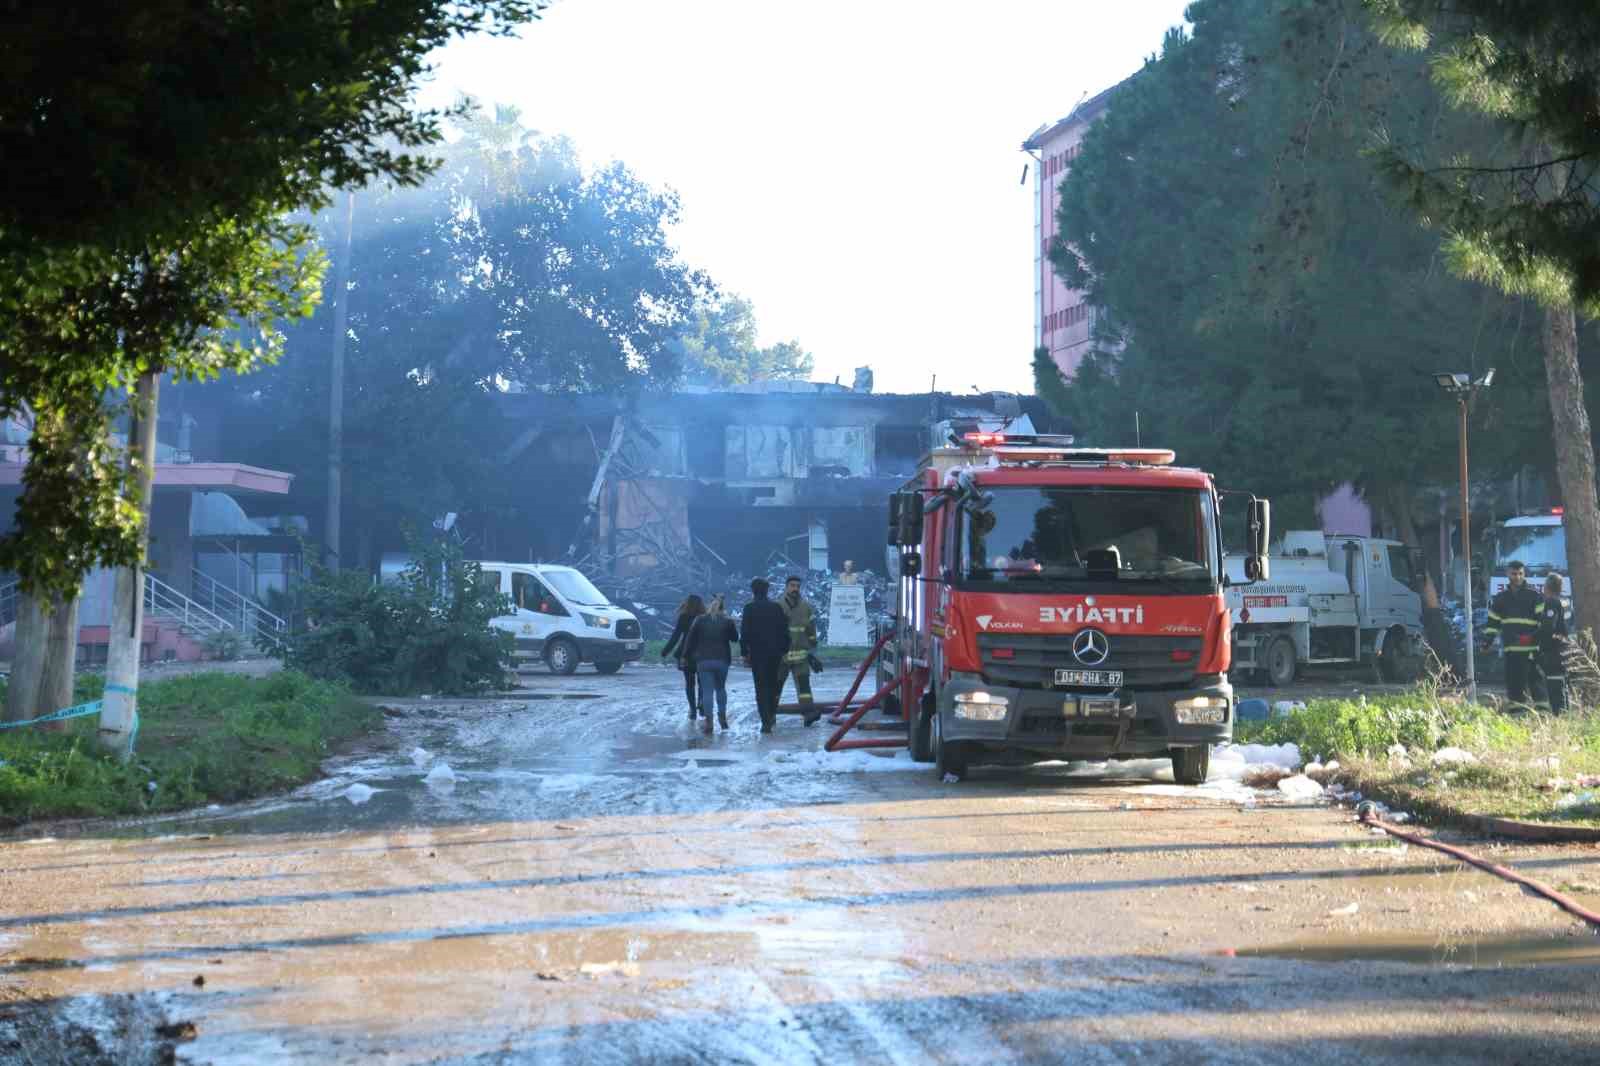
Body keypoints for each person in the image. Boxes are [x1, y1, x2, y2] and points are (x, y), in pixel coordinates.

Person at [1483, 560, 1541, 706]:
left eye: (1520, 574)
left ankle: (1544, 714)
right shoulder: (1501, 598)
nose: (1517, 577)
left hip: (1532, 649)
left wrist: (1538, 641)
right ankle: (1517, 713)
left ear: (1524, 574)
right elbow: (1493, 623)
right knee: (1514, 683)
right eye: (1514, 574)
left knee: (1536, 683)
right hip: (1511, 648)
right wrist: (1487, 641)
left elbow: (1543, 623)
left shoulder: (1535, 596)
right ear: (1508, 574)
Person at [739, 578, 790, 734]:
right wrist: (784, 649)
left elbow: (745, 631)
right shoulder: (776, 608)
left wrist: (744, 652)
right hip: (774, 653)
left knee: (760, 687)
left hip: (757, 653)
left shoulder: (749, 608)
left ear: (753, 591)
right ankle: (772, 713)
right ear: (767, 590)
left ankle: (765, 721)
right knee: (773, 685)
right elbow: (784, 631)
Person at [687, 594, 739, 733]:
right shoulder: (727, 621)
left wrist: (686, 656)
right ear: (723, 608)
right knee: (721, 689)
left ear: (710, 606)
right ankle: (722, 718)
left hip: (703, 660)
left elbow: (690, 639)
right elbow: (735, 638)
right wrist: (730, 626)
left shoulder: (699, 620)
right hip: (722, 660)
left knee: (707, 692)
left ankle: (709, 722)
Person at [777, 575, 821, 726]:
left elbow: (811, 631)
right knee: (776, 687)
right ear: (786, 587)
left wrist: (814, 653)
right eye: (792, 586)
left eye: (797, 586)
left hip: (801, 657)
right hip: (781, 657)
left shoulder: (806, 607)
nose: (795, 589)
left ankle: (808, 713)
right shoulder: (778, 606)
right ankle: (769, 715)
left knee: (804, 689)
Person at [661, 594, 705, 723]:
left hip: (686, 653)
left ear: (687, 604)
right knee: (702, 681)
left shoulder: (684, 617)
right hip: (703, 653)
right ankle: (701, 704)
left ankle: (692, 710)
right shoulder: (704, 617)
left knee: (689, 683)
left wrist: (666, 651)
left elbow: (676, 636)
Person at [1537, 574, 1569, 714]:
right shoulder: (1564, 602)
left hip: (1553, 651)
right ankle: (1565, 716)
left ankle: (1559, 717)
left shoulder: (1551, 603)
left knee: (1555, 686)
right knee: (1562, 685)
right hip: (1563, 649)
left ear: (1548, 587)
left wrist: (1539, 643)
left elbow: (1548, 627)